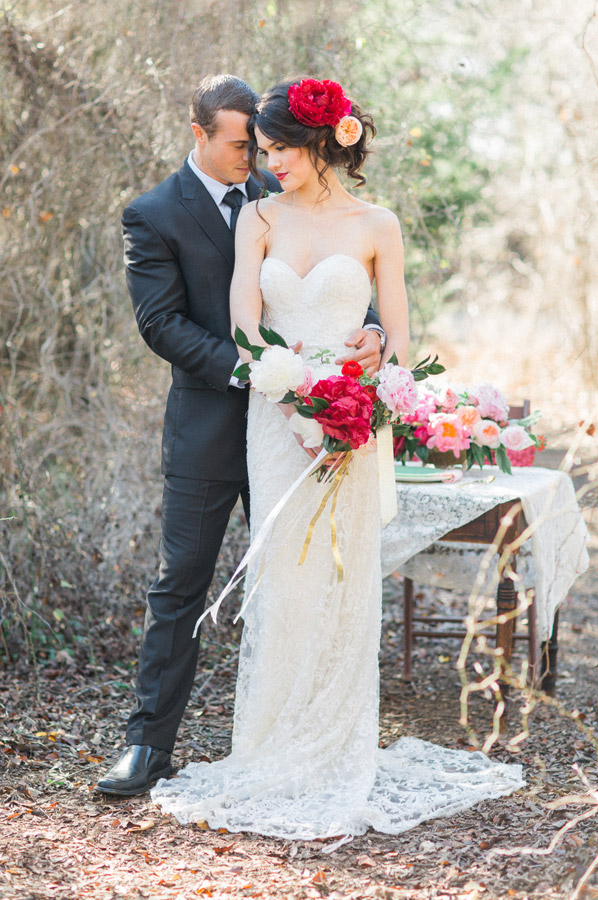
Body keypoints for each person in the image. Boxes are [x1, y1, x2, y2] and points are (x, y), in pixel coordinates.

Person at [150, 79, 524, 840]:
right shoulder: (257, 217)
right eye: (262, 149)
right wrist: (292, 397)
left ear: (323, 143)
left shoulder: (377, 223)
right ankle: (273, 743)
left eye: (281, 148)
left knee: (342, 577)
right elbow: (245, 328)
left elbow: (396, 338)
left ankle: (335, 745)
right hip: (274, 417)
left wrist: (371, 363)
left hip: (355, 421)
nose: (268, 161)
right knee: (286, 576)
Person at [95, 75, 384, 797]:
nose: (251, 158)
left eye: (258, 146)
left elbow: (343, 278)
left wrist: (371, 333)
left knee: (306, 580)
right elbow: (162, 326)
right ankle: (146, 745)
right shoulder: (153, 214)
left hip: (301, 436)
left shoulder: (284, 192)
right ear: (199, 134)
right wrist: (272, 375)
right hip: (213, 430)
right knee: (180, 586)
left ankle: (304, 743)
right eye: (237, 145)